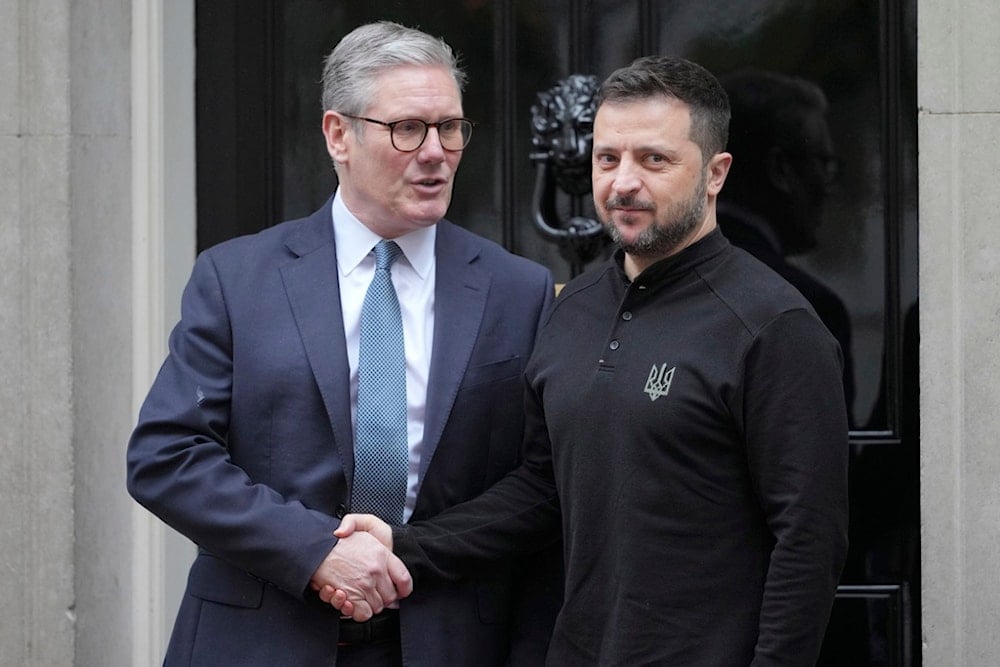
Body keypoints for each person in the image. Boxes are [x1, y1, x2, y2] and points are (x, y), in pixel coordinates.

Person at [328, 55, 850, 665]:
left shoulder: (774, 326)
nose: (623, 182)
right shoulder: (571, 309)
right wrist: (407, 544)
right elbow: (541, 492)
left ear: (715, 174)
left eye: (654, 159)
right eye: (608, 158)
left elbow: (809, 540)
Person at [126, 21, 559, 666]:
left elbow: (538, 482)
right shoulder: (238, 277)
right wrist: (317, 551)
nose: (436, 152)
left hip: (446, 639)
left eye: (450, 127)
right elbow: (167, 454)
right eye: (407, 128)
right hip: (259, 640)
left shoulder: (517, 289)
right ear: (338, 135)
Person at [717, 68, 855, 423]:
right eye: (822, 163)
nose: (828, 186)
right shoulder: (809, 306)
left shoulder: (649, 284)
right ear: (780, 169)